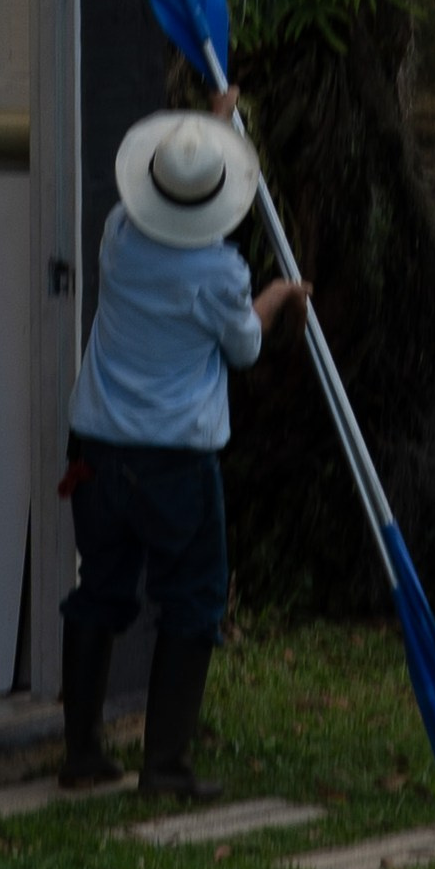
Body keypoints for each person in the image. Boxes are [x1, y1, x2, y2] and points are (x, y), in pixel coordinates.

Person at [59, 93, 312, 798]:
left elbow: (179, 189)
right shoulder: (219, 276)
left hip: (96, 450)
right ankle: (164, 768)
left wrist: (215, 127)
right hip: (173, 460)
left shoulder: (117, 235)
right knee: (194, 602)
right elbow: (245, 349)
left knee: (99, 592)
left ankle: (81, 756)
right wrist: (277, 295)